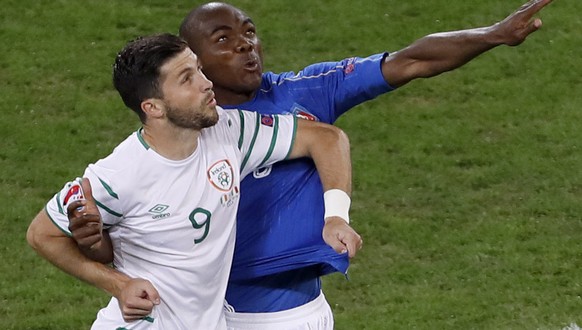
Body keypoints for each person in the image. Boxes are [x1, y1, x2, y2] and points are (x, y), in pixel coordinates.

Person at [176, 0, 556, 329]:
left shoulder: (304, 92)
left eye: (250, 32)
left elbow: (411, 61)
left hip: (292, 313)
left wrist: (493, 34)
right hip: (200, 310)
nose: (246, 44)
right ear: (190, 59)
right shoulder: (175, 130)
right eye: (224, 39)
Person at [26, 33, 362, 329]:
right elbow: (42, 233)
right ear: (153, 107)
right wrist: (117, 284)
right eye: (187, 78)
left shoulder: (229, 132)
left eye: (199, 69)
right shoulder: (118, 175)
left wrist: (335, 216)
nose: (206, 83)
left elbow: (326, 139)